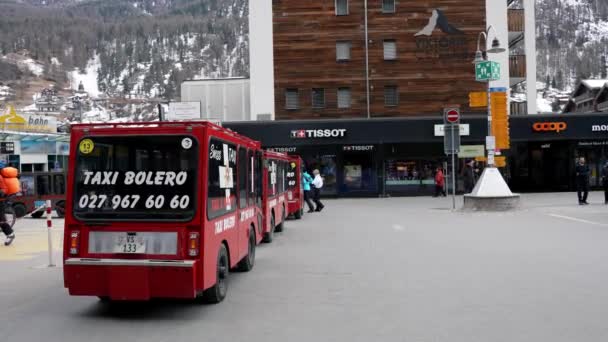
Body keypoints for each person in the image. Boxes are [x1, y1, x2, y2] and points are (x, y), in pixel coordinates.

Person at [0, 162, 15, 246]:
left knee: (1, 221)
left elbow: (4, 189)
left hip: (0, 202)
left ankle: (10, 234)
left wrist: (1, 192)